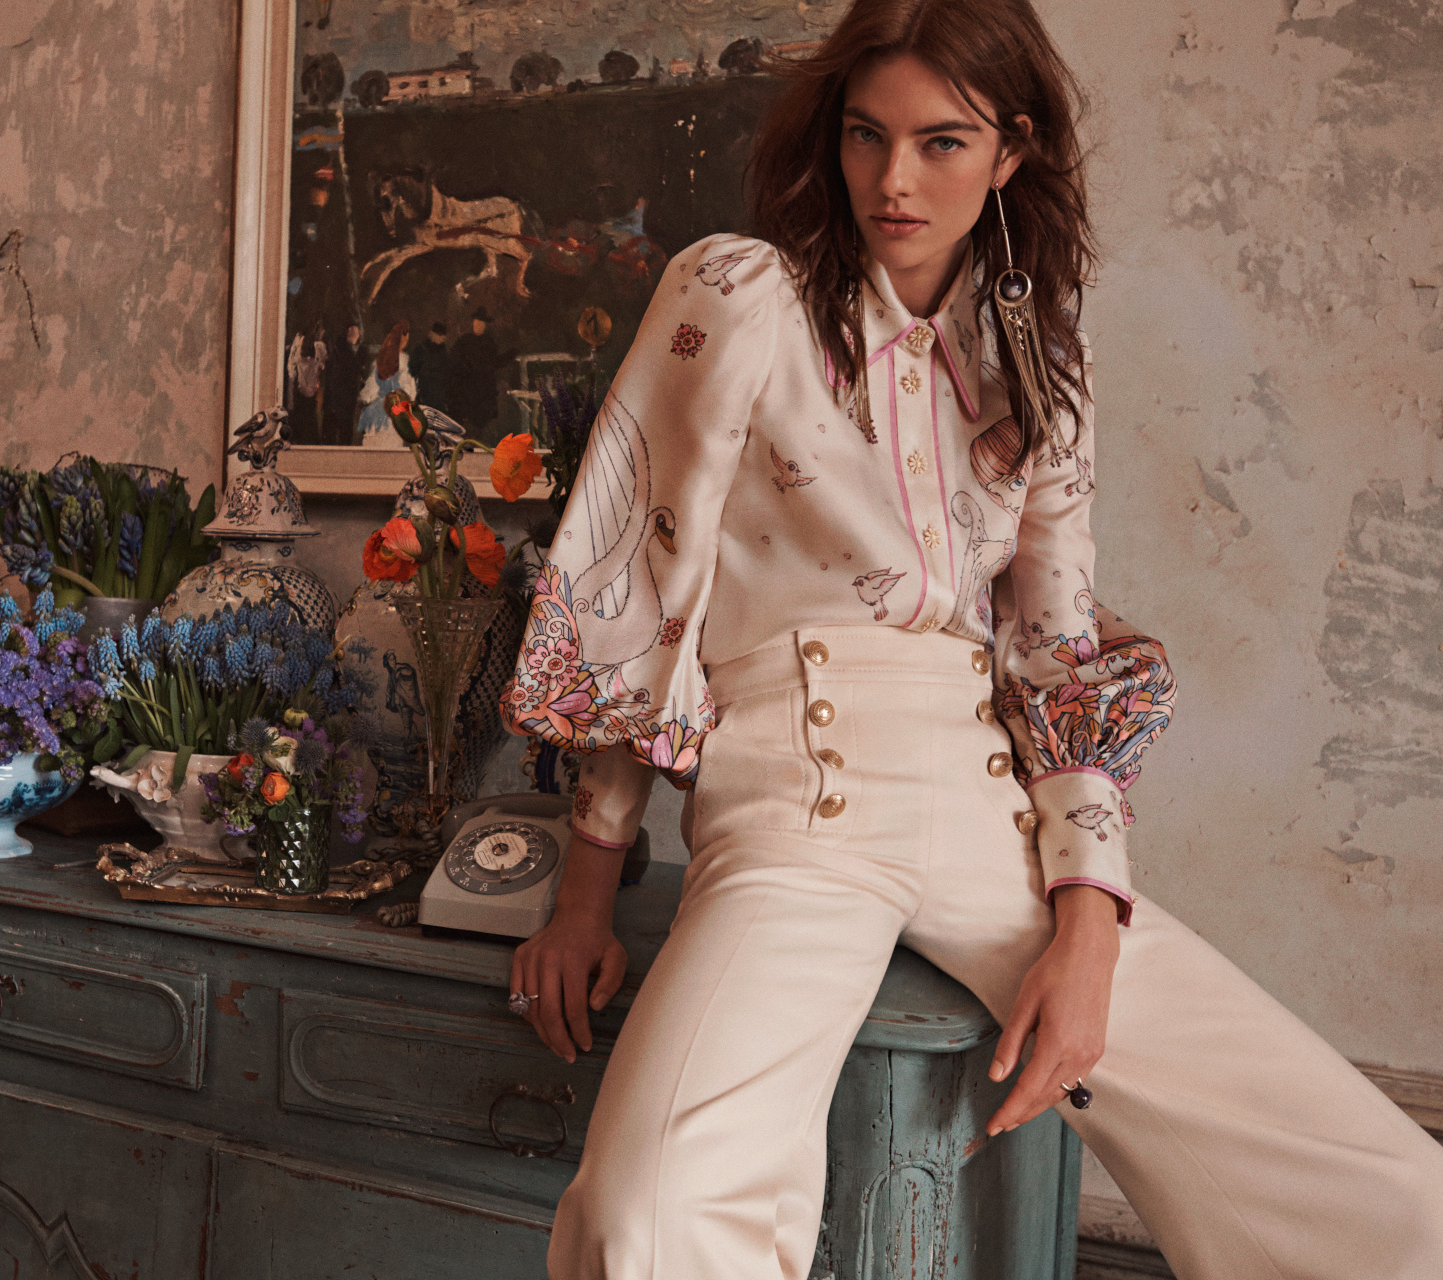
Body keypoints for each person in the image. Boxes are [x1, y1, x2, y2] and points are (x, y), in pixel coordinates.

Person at [495, 2, 1443, 1277]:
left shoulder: (1043, 350)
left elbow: (1053, 643)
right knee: (648, 1215)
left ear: (1013, 150)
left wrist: (1089, 924)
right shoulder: (740, 294)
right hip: (796, 795)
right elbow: (637, 582)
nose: (895, 180)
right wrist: (584, 892)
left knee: (1375, 1186)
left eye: (942, 143)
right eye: (866, 136)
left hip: (996, 803)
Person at [354, 320, 416, 447]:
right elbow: (410, 390)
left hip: (383, 409)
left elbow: (370, 389)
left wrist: (365, 398)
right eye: (404, 339)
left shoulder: (385, 359)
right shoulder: (403, 361)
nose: (405, 342)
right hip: (390, 410)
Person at [448, 305, 508, 436]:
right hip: (467, 384)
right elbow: (454, 359)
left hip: (483, 387)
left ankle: (480, 431)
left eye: (480, 323)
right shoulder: (464, 341)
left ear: (485, 325)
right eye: (475, 322)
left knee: (483, 417)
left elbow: (493, 363)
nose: (478, 325)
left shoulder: (489, 343)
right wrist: (467, 369)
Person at [409, 319, 452, 414]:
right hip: (424, 394)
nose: (441, 339)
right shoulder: (421, 350)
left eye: (443, 336)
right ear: (432, 334)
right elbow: (412, 371)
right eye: (439, 335)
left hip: (440, 397)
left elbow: (448, 375)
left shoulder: (444, 352)